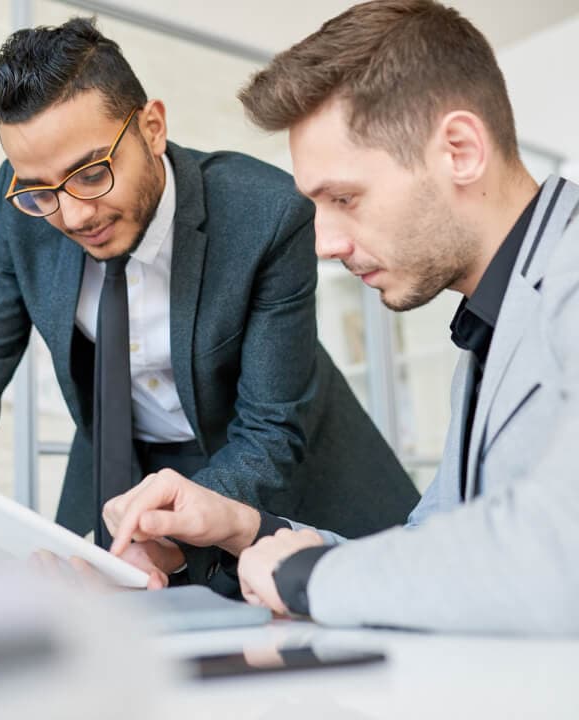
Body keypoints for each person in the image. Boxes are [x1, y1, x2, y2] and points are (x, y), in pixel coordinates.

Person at [104, 0, 579, 633]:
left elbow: (555, 557)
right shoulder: (491, 325)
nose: (324, 242)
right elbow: (426, 556)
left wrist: (307, 578)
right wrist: (247, 527)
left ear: (460, 150)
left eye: (345, 198)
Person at [0, 17, 419, 591]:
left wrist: (171, 536)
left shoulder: (265, 214)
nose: (73, 216)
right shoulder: (23, 203)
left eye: (91, 174)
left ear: (153, 127)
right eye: (41, 189)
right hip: (121, 465)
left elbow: (270, 428)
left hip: (271, 469)